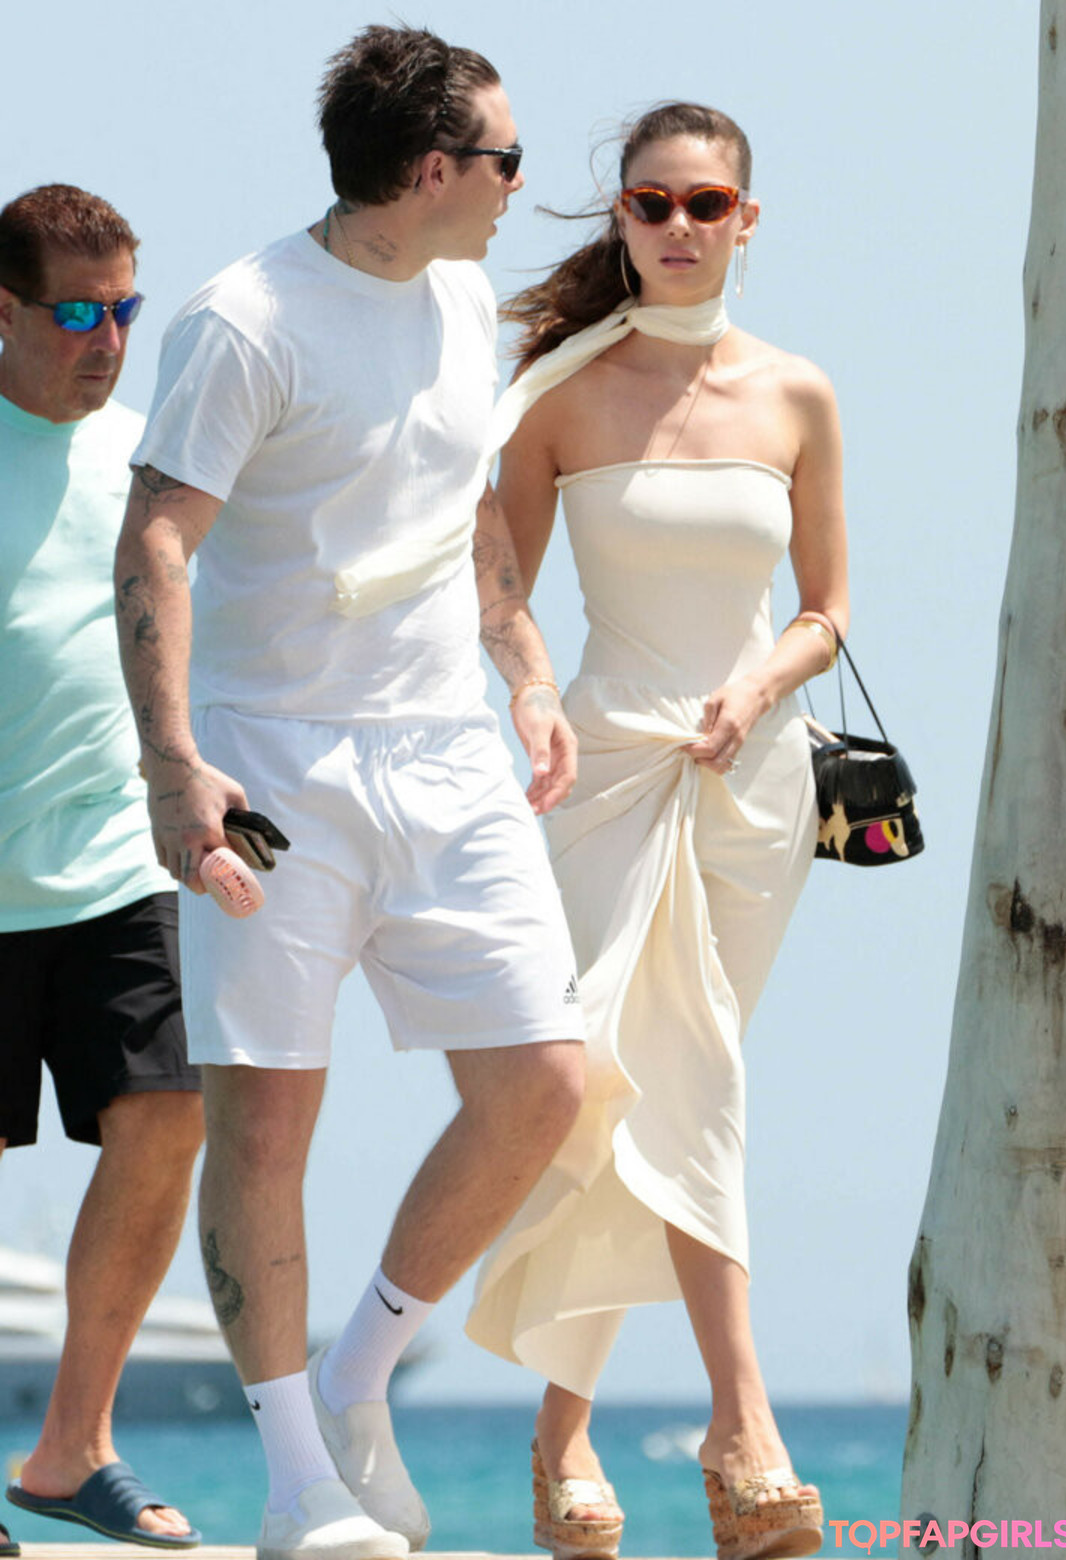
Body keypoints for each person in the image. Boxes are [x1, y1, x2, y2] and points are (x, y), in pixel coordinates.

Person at [113, 25, 586, 1560]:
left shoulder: (461, 300)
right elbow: (157, 540)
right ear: (435, 168)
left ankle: (358, 1374)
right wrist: (175, 768)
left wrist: (525, 670)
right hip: (275, 766)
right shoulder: (243, 321)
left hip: (447, 754)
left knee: (546, 1083)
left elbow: (467, 511)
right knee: (264, 1125)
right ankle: (297, 1485)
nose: (520, 184)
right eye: (506, 158)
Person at [466, 103, 850, 1560]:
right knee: (624, 1088)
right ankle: (742, 1434)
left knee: (680, 1085)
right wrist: (531, 694)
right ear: (619, 217)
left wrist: (759, 686)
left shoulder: (797, 394)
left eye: (704, 203)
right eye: (650, 203)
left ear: (747, 218)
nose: (678, 227)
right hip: (605, 775)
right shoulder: (559, 390)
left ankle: (569, 1436)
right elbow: (498, 581)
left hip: (753, 788)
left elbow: (829, 608)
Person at [0, 184, 203, 1553]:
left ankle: (74, 1447)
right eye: (77, 313)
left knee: (169, 1113)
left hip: (119, 860)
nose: (109, 339)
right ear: (5, 311)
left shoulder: (152, 464)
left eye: (126, 308)